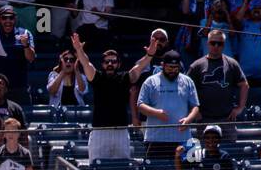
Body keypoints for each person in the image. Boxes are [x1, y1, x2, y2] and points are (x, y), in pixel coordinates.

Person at [74, 33, 155, 162]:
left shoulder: (124, 78)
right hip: (100, 131)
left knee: (121, 168)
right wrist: (79, 50)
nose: (110, 64)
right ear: (102, 64)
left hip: (121, 131)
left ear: (119, 64)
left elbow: (139, 67)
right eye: (107, 62)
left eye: (113, 61)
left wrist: (150, 55)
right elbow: (86, 63)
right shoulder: (97, 77)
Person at [136, 50, 199, 162]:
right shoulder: (150, 81)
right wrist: (156, 113)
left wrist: (189, 119)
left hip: (182, 138)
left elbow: (195, 106)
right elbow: (140, 105)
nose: (173, 71)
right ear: (162, 65)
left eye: (176, 68)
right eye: (170, 67)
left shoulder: (188, 81)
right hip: (156, 139)